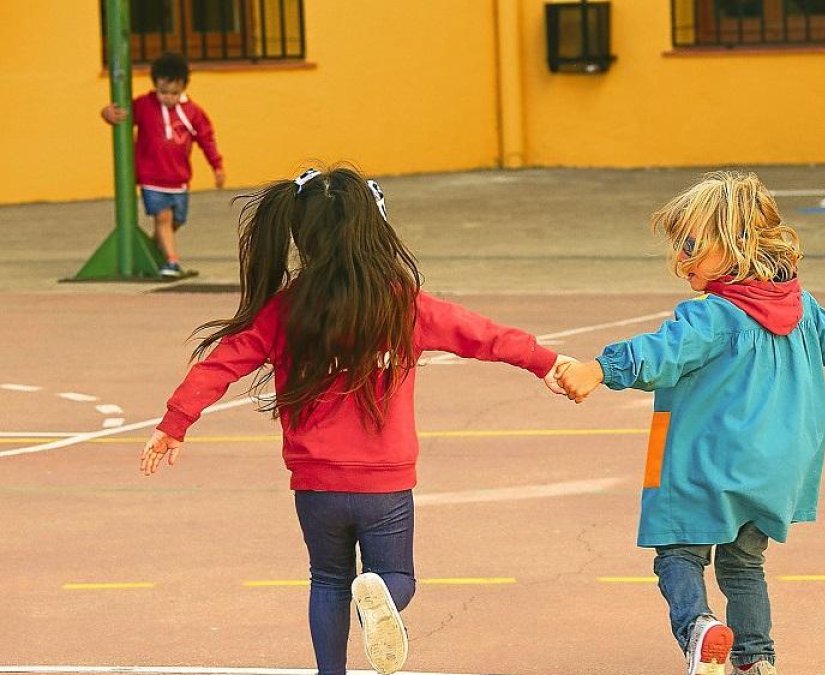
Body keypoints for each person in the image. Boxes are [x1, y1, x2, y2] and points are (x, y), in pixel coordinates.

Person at [139, 166, 574, 675]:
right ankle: (383, 597)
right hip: (384, 483)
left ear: (301, 235)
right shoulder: (402, 306)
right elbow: (481, 334)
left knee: (326, 580)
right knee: (395, 577)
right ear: (372, 230)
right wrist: (546, 361)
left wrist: (175, 423)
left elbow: (221, 363)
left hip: (316, 484)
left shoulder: (284, 312)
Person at [556, 171, 825, 675]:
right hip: (775, 471)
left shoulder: (714, 317)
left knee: (677, 552)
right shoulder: (804, 309)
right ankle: (755, 657)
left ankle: (699, 628)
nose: (681, 260)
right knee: (744, 564)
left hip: (706, 463)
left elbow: (660, 352)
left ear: (736, 245)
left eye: (693, 245)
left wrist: (598, 370)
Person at [100, 52, 225, 277]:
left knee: (177, 220)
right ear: (155, 86)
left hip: (179, 179)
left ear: (184, 87)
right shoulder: (144, 105)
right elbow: (120, 114)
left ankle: (152, 251)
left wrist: (216, 166)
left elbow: (206, 139)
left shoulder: (193, 113)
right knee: (163, 218)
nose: (168, 97)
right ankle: (172, 261)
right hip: (151, 178)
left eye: (174, 93)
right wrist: (107, 113)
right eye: (163, 92)